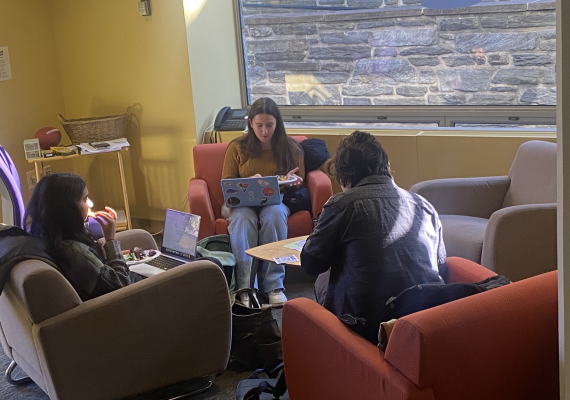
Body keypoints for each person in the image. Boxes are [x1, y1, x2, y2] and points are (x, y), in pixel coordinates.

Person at [301, 131, 447, 324]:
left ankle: (335, 340)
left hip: (368, 322)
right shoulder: (424, 205)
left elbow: (311, 264)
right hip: (426, 314)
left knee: (324, 277)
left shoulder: (341, 204)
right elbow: (441, 265)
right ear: (385, 167)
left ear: (345, 176)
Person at [221, 97, 305, 307]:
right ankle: (245, 287)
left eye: (269, 125)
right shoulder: (237, 147)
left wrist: (293, 182)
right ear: (250, 123)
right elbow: (226, 184)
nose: (265, 131)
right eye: (259, 125)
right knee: (242, 219)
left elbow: (299, 182)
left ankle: (274, 284)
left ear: (277, 124)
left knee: (275, 214)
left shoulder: (291, 147)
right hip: (241, 204)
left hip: (275, 201)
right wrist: (246, 183)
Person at [24, 173, 144, 301]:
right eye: (85, 199)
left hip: (127, 287)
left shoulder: (48, 237)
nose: (91, 204)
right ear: (67, 209)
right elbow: (121, 285)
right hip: (134, 297)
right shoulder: (74, 252)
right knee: (166, 276)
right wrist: (110, 239)